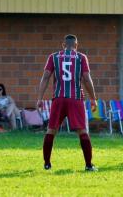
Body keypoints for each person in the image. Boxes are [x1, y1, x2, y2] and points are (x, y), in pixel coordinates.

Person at [37, 34, 98, 171]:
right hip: (75, 99)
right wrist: (93, 98)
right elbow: (87, 79)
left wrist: (40, 98)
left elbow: (46, 77)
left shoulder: (53, 57)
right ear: (76, 45)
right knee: (82, 131)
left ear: (63, 45)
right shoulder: (81, 57)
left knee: (51, 130)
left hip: (58, 98)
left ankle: (47, 163)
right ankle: (88, 165)